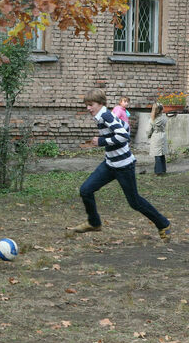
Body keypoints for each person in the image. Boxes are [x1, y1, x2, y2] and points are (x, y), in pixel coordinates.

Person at [70, 88, 171, 242]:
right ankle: (94, 223)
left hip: (124, 166)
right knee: (85, 190)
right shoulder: (105, 115)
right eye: (87, 105)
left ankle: (163, 224)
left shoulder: (105, 115)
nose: (88, 108)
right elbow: (125, 127)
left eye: (91, 104)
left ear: (100, 103)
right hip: (110, 164)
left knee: (135, 202)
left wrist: (101, 141)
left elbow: (124, 136)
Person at [147, 102, 168, 175]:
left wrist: (148, 135)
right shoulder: (164, 118)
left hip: (156, 136)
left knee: (157, 155)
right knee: (162, 154)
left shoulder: (152, 120)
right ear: (162, 110)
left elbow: (149, 130)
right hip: (163, 135)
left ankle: (158, 171)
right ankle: (163, 169)